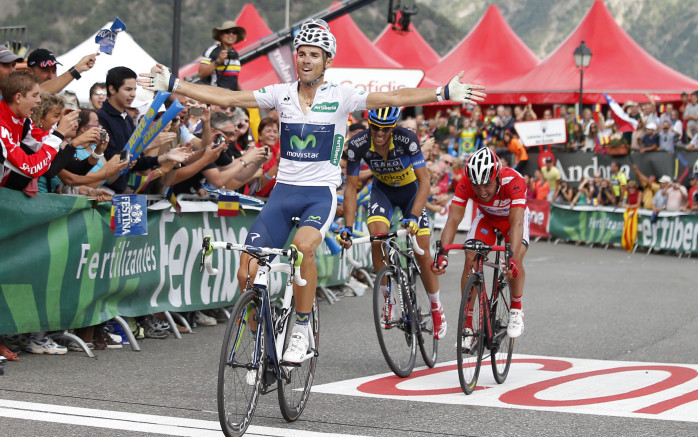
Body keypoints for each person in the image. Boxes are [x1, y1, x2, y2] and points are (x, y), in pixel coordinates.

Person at [138, 18, 485, 363]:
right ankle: (265, 336)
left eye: (314, 55)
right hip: (283, 194)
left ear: (327, 61)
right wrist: (175, 84)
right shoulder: (281, 94)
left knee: (304, 248)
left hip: (318, 194)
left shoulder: (342, 96)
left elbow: (394, 95)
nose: (305, 60)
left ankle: (301, 328)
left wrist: (442, 93)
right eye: (301, 54)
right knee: (246, 270)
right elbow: (227, 95)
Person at [339, 107, 446, 339]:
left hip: (411, 192)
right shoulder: (357, 144)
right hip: (383, 192)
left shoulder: (407, 138)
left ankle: (436, 308)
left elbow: (425, 182)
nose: (380, 133)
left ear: (394, 127)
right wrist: (347, 228)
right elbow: (350, 188)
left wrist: (415, 216)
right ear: (369, 124)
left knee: (422, 250)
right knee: (378, 239)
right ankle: (390, 301)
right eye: (375, 127)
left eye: (386, 129)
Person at [431, 147, 529, 339]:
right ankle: (467, 323)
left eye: (487, 185)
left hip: (512, 220)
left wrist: (513, 260)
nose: (482, 192)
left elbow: (517, 223)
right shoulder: (466, 182)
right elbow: (453, 220)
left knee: (515, 258)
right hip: (487, 218)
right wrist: (442, 253)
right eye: (477, 186)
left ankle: (516, 309)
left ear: (497, 177)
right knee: (471, 256)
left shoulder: (514, 181)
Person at [0, 70, 77, 192]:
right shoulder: (1, 128)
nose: (39, 101)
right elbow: (32, 168)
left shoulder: (21, 119)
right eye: (35, 95)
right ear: (18, 97)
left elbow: (41, 146)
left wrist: (59, 126)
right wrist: (59, 133)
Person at [199, 20, 246, 91]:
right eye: (227, 31)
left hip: (231, 98)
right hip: (215, 96)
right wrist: (218, 62)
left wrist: (244, 94)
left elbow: (233, 78)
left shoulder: (235, 54)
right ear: (221, 35)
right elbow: (201, 73)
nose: (231, 34)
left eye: (234, 32)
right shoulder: (212, 51)